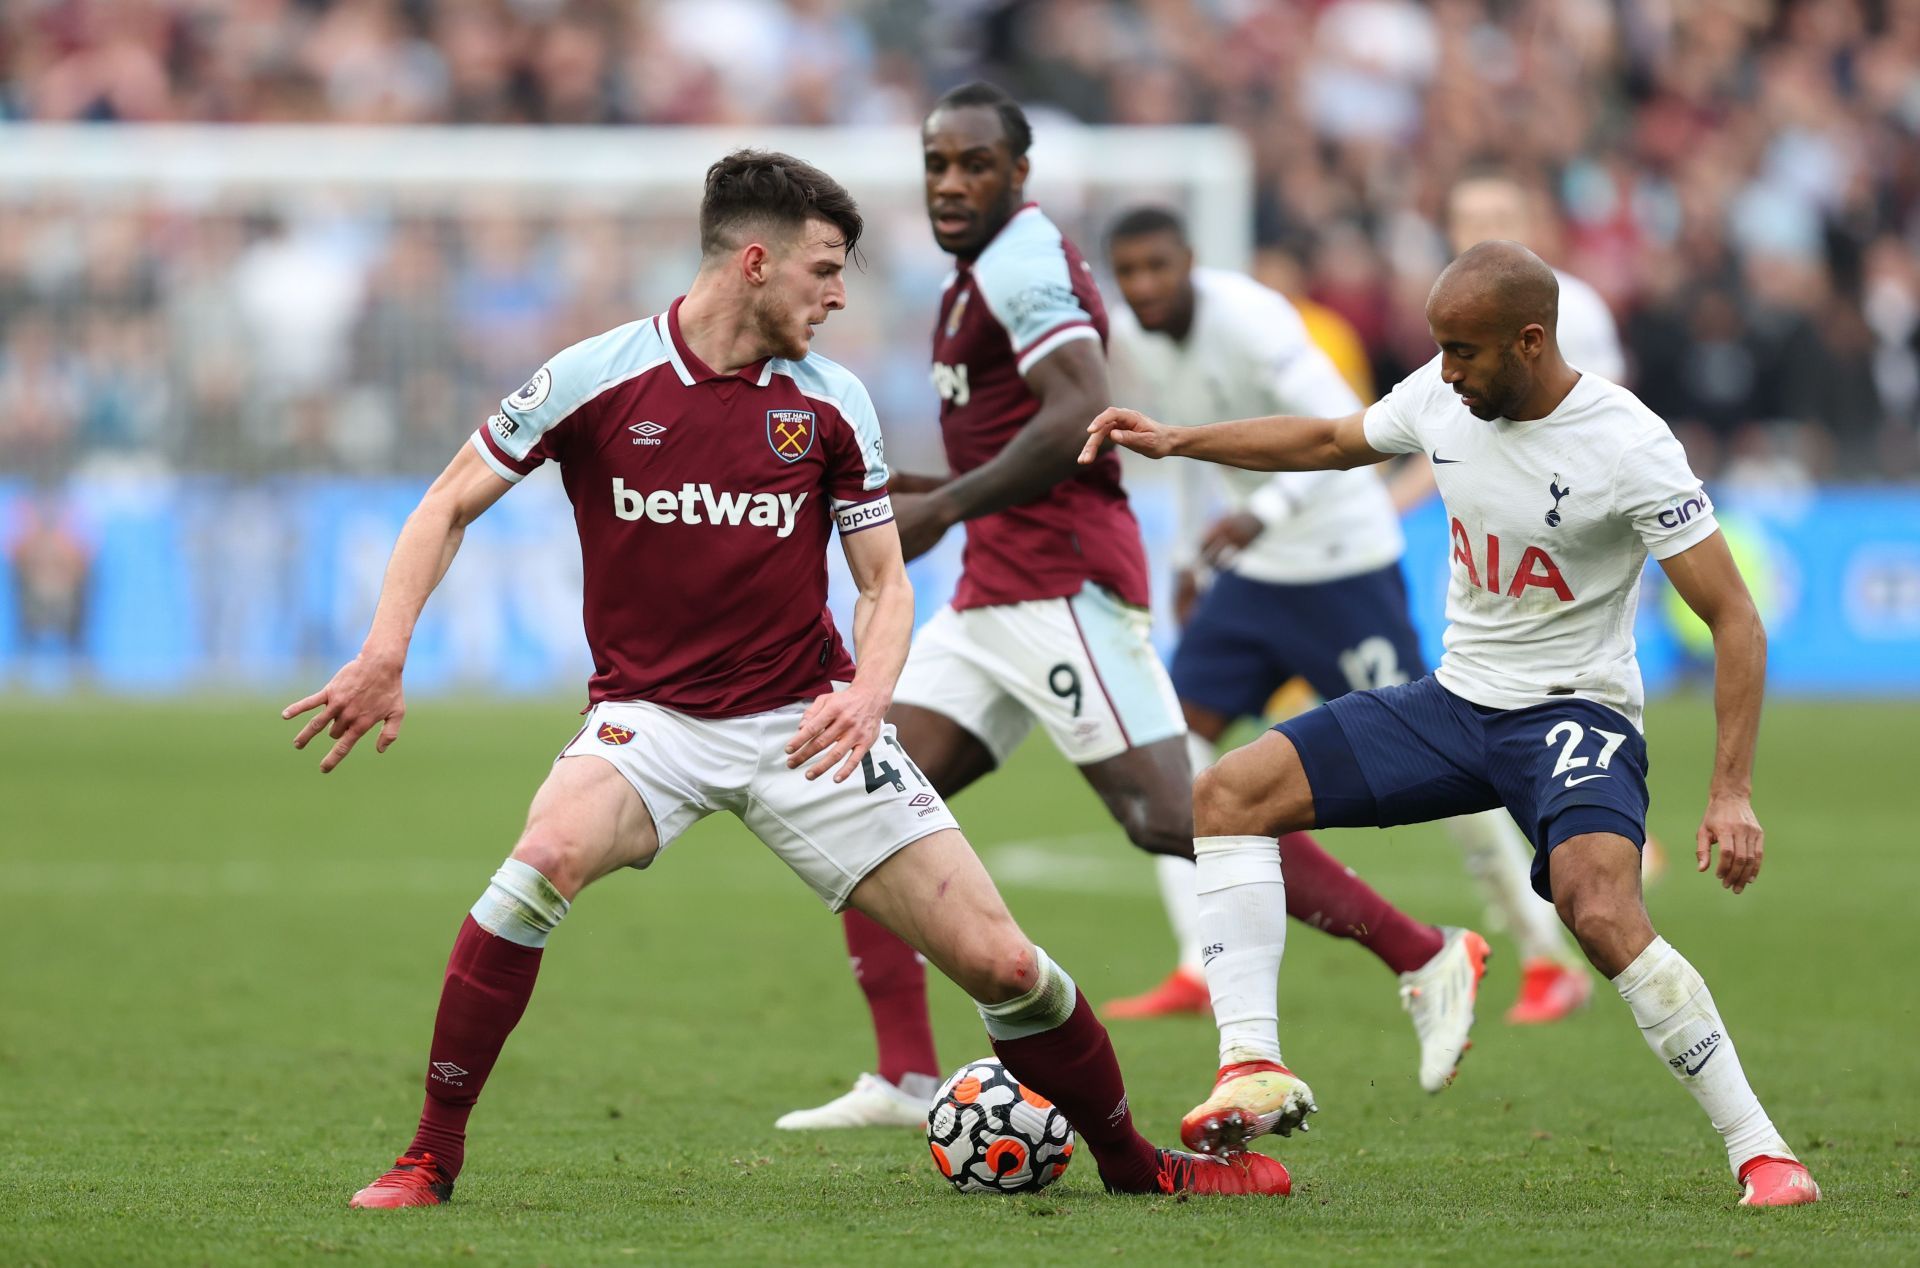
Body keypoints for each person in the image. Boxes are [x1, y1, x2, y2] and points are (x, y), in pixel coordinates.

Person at [284, 149, 1291, 1206]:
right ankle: (429, 1156)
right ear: (755, 262)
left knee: (1003, 965)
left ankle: (1140, 1167)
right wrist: (385, 649)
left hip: (807, 724)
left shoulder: (830, 402)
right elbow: (445, 501)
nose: (839, 291)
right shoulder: (596, 375)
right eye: (823, 268)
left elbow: (884, 586)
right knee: (535, 865)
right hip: (649, 724)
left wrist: (867, 693)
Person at [1078, 240, 1820, 1208]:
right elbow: (1328, 441)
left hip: (1573, 711)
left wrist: (1730, 789)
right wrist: (1179, 440)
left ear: (1530, 340)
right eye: (1440, 348)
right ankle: (1249, 1062)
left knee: (1598, 907)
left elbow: (1735, 616)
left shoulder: (1629, 444)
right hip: (1455, 702)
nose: (1446, 370)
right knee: (1224, 792)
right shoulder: (1440, 391)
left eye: (1465, 351)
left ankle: (1762, 1149)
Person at [775, 83, 1284, 1131]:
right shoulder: (976, 275)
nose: (950, 182)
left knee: (1172, 813)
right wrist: (927, 496)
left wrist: (946, 507)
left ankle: (1404, 952)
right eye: (936, 164)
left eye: (972, 164)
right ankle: (907, 1073)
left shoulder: (1020, 262)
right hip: (997, 587)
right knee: (864, 788)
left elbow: (1077, 409)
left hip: (1060, 578)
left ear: (1019, 174)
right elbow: (1013, 429)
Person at [1101, 206, 1590, 1034]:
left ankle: (1546, 952)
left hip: (1342, 567)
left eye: (1157, 268)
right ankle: (1196, 960)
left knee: (1452, 761)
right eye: (1130, 273)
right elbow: (1192, 459)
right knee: (1170, 753)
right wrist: (1189, 559)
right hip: (1253, 580)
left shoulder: (1253, 320)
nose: (1143, 287)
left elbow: (1340, 436)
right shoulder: (1142, 336)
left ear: (1190, 261)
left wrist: (1264, 513)